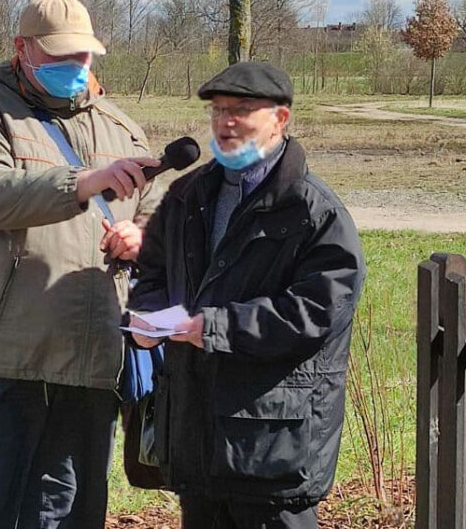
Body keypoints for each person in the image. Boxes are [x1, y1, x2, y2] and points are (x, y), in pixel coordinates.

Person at [0, 0, 161, 528]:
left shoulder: (121, 128)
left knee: (68, 514)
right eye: (59, 56)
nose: (74, 67)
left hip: (89, 356)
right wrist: (83, 182)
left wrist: (141, 238)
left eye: (83, 56)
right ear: (21, 49)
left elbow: (153, 214)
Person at [127, 61, 366, 529]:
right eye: (218, 110)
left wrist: (214, 328)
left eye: (242, 109)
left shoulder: (315, 211)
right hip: (195, 439)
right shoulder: (188, 195)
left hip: (272, 447)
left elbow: (318, 310)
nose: (226, 122)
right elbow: (153, 272)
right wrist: (149, 320)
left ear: (280, 119)